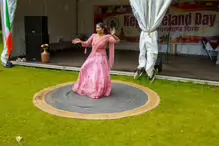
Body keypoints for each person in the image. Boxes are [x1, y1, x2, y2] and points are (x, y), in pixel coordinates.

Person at [72, 22, 120, 99]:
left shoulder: (107, 37)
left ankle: (98, 90)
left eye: (98, 28)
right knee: (83, 68)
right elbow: (86, 44)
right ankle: (88, 87)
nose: (97, 29)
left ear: (103, 29)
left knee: (97, 74)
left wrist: (113, 35)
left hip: (101, 58)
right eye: (96, 28)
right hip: (92, 56)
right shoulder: (93, 36)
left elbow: (117, 41)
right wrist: (80, 41)